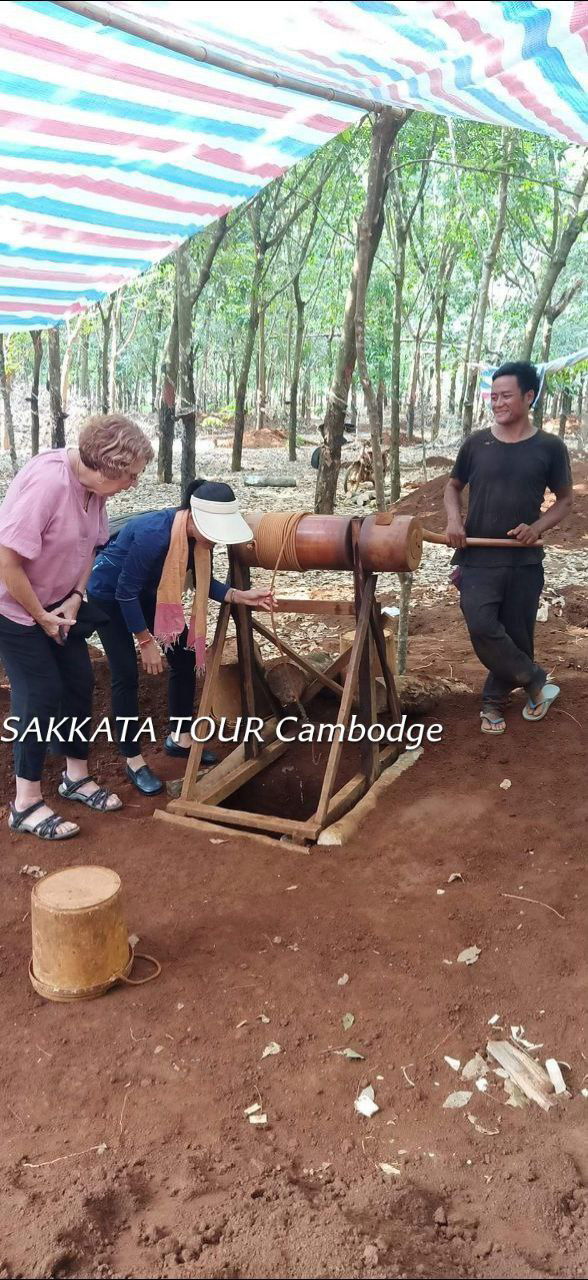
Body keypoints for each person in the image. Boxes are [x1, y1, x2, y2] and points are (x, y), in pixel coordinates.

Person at [0, 413, 154, 840]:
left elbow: (89, 546)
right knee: (39, 695)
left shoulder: (95, 490)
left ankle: (75, 776)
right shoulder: (48, 484)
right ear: (106, 467)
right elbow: (6, 562)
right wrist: (41, 616)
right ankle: (25, 803)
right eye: (132, 475)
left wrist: (75, 596)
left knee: (78, 681)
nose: (134, 484)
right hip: (13, 607)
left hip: (60, 604)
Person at [87, 479, 275, 795]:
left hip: (148, 593)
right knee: (126, 674)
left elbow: (204, 581)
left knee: (183, 656)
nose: (215, 541)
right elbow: (124, 592)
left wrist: (239, 596)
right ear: (194, 517)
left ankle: (180, 736)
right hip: (109, 595)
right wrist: (146, 642)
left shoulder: (196, 541)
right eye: (214, 531)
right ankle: (133, 759)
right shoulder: (153, 535)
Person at [444, 361, 573, 735]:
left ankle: (493, 703)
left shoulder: (549, 447)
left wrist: (536, 528)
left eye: (505, 396)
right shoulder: (476, 443)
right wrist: (454, 521)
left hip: (523, 561)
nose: (496, 403)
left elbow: (565, 501)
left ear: (528, 396)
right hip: (478, 557)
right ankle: (535, 681)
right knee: (482, 625)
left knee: (518, 635)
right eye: (493, 396)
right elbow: (453, 487)